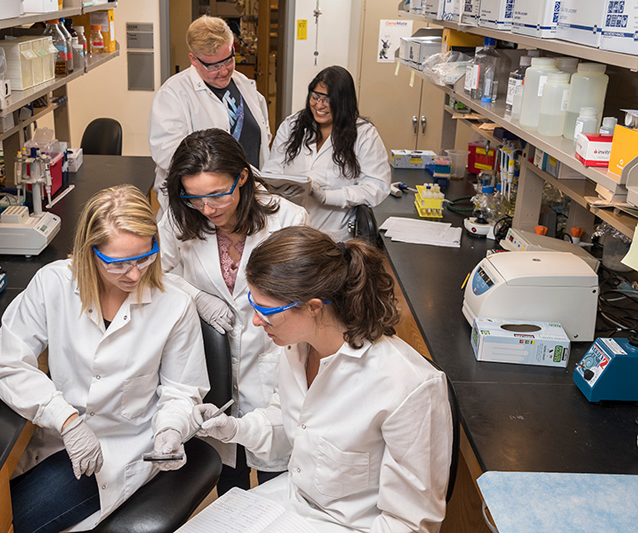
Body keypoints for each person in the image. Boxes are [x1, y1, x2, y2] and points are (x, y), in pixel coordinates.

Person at [193, 226, 453, 533]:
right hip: (292, 503)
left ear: (314, 307)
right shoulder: (295, 348)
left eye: (265, 309)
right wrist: (234, 429)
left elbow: (409, 523)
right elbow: (292, 423)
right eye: (253, 302)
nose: (255, 320)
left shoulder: (408, 386)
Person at [0, 185, 209, 533]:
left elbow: (183, 390)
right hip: (61, 438)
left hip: (124, 448)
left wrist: (171, 429)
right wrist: (67, 421)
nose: (134, 274)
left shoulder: (174, 304)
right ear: (90, 253)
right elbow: (5, 363)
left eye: (144, 257)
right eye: (119, 264)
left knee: (11, 523)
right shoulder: (54, 284)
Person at [158, 128, 308, 495]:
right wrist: (195, 296)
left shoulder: (288, 220)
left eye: (217, 195)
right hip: (212, 368)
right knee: (229, 483)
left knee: (279, 486)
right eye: (195, 198)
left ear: (242, 177)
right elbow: (155, 272)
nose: (207, 209)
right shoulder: (181, 217)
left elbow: (304, 297)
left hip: (273, 367)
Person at [149, 15, 271, 213]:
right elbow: (169, 155)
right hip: (202, 205)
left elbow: (262, 135)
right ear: (194, 60)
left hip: (247, 196)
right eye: (213, 66)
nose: (223, 71)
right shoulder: (173, 94)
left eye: (228, 59)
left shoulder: (243, 84)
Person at [262, 65, 391, 241]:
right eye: (315, 97)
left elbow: (377, 187)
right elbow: (272, 170)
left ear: (344, 102)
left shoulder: (364, 134)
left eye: (328, 100)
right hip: (288, 230)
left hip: (334, 234)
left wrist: (328, 197)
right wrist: (281, 187)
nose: (319, 105)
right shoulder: (292, 125)